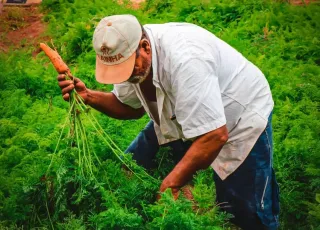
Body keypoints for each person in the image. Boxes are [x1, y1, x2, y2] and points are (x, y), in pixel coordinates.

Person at [58, 14, 280, 229]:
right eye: (118, 72)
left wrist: (171, 182)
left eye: (127, 68)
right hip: (180, 112)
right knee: (133, 165)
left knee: (244, 209)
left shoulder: (187, 60)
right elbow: (130, 107)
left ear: (144, 47)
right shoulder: (128, 55)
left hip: (239, 116)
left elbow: (215, 135)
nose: (125, 77)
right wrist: (89, 96)